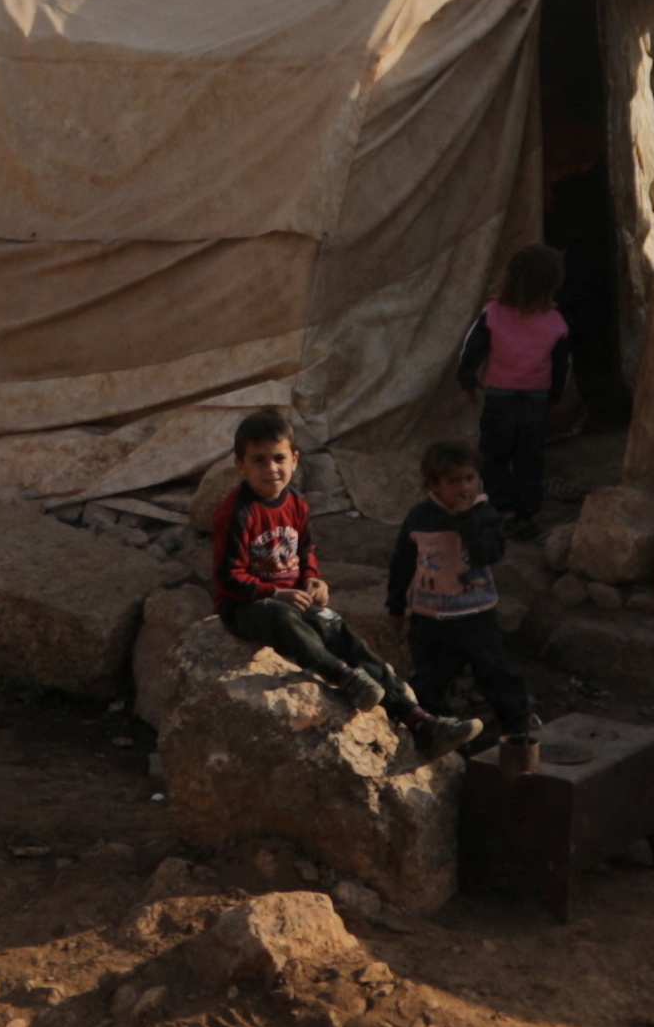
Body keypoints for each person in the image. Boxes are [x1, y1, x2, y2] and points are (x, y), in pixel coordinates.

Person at [205, 408, 425, 727]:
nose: (271, 469)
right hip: (246, 606)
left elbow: (305, 548)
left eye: (279, 458)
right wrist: (276, 593)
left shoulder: (296, 503)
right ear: (241, 465)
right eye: (259, 460)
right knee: (280, 617)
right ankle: (343, 676)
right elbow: (228, 577)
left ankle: (413, 715)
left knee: (336, 627)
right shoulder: (238, 512)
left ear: (294, 459)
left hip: (293, 599)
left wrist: (311, 579)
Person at [383, 435, 529, 751]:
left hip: (475, 614)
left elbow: (487, 554)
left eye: (469, 478)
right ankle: (436, 732)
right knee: (429, 679)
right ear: (433, 485)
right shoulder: (420, 517)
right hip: (430, 618)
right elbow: (402, 563)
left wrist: (466, 518)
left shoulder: (485, 514)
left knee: (494, 672)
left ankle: (517, 729)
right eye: (454, 481)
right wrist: (395, 604)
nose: (464, 487)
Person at [471, 247, 577, 532]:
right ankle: (527, 515)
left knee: (495, 456)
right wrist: (554, 395)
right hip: (535, 400)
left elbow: (473, 349)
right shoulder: (555, 322)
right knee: (529, 458)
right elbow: (561, 366)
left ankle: (503, 510)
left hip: (499, 398)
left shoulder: (493, 313)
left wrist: (466, 378)